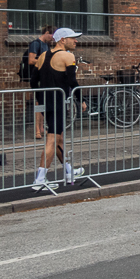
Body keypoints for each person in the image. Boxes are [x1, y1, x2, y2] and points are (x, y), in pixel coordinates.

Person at [32, 28, 86, 189]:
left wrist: (40, 100)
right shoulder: (68, 56)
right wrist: (81, 100)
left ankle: (69, 171)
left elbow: (33, 81)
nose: (76, 41)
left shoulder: (42, 56)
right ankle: (40, 179)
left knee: (58, 138)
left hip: (45, 102)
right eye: (73, 38)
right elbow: (72, 82)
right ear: (62, 39)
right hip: (57, 102)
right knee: (52, 139)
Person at [26, 25, 54, 139]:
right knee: (39, 103)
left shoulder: (46, 45)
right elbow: (31, 60)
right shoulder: (35, 44)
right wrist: (46, 61)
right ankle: (37, 130)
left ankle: (42, 128)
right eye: (51, 36)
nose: (52, 39)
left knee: (43, 103)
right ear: (46, 32)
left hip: (44, 78)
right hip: (37, 78)